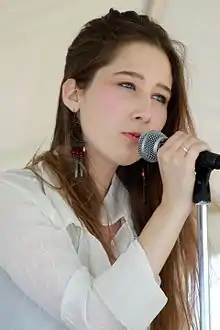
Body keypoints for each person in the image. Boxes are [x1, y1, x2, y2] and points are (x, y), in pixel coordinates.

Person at [0, 8, 211, 330]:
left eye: (160, 96)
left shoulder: (141, 209)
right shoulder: (15, 198)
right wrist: (173, 207)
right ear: (73, 94)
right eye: (128, 85)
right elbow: (99, 321)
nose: (147, 112)